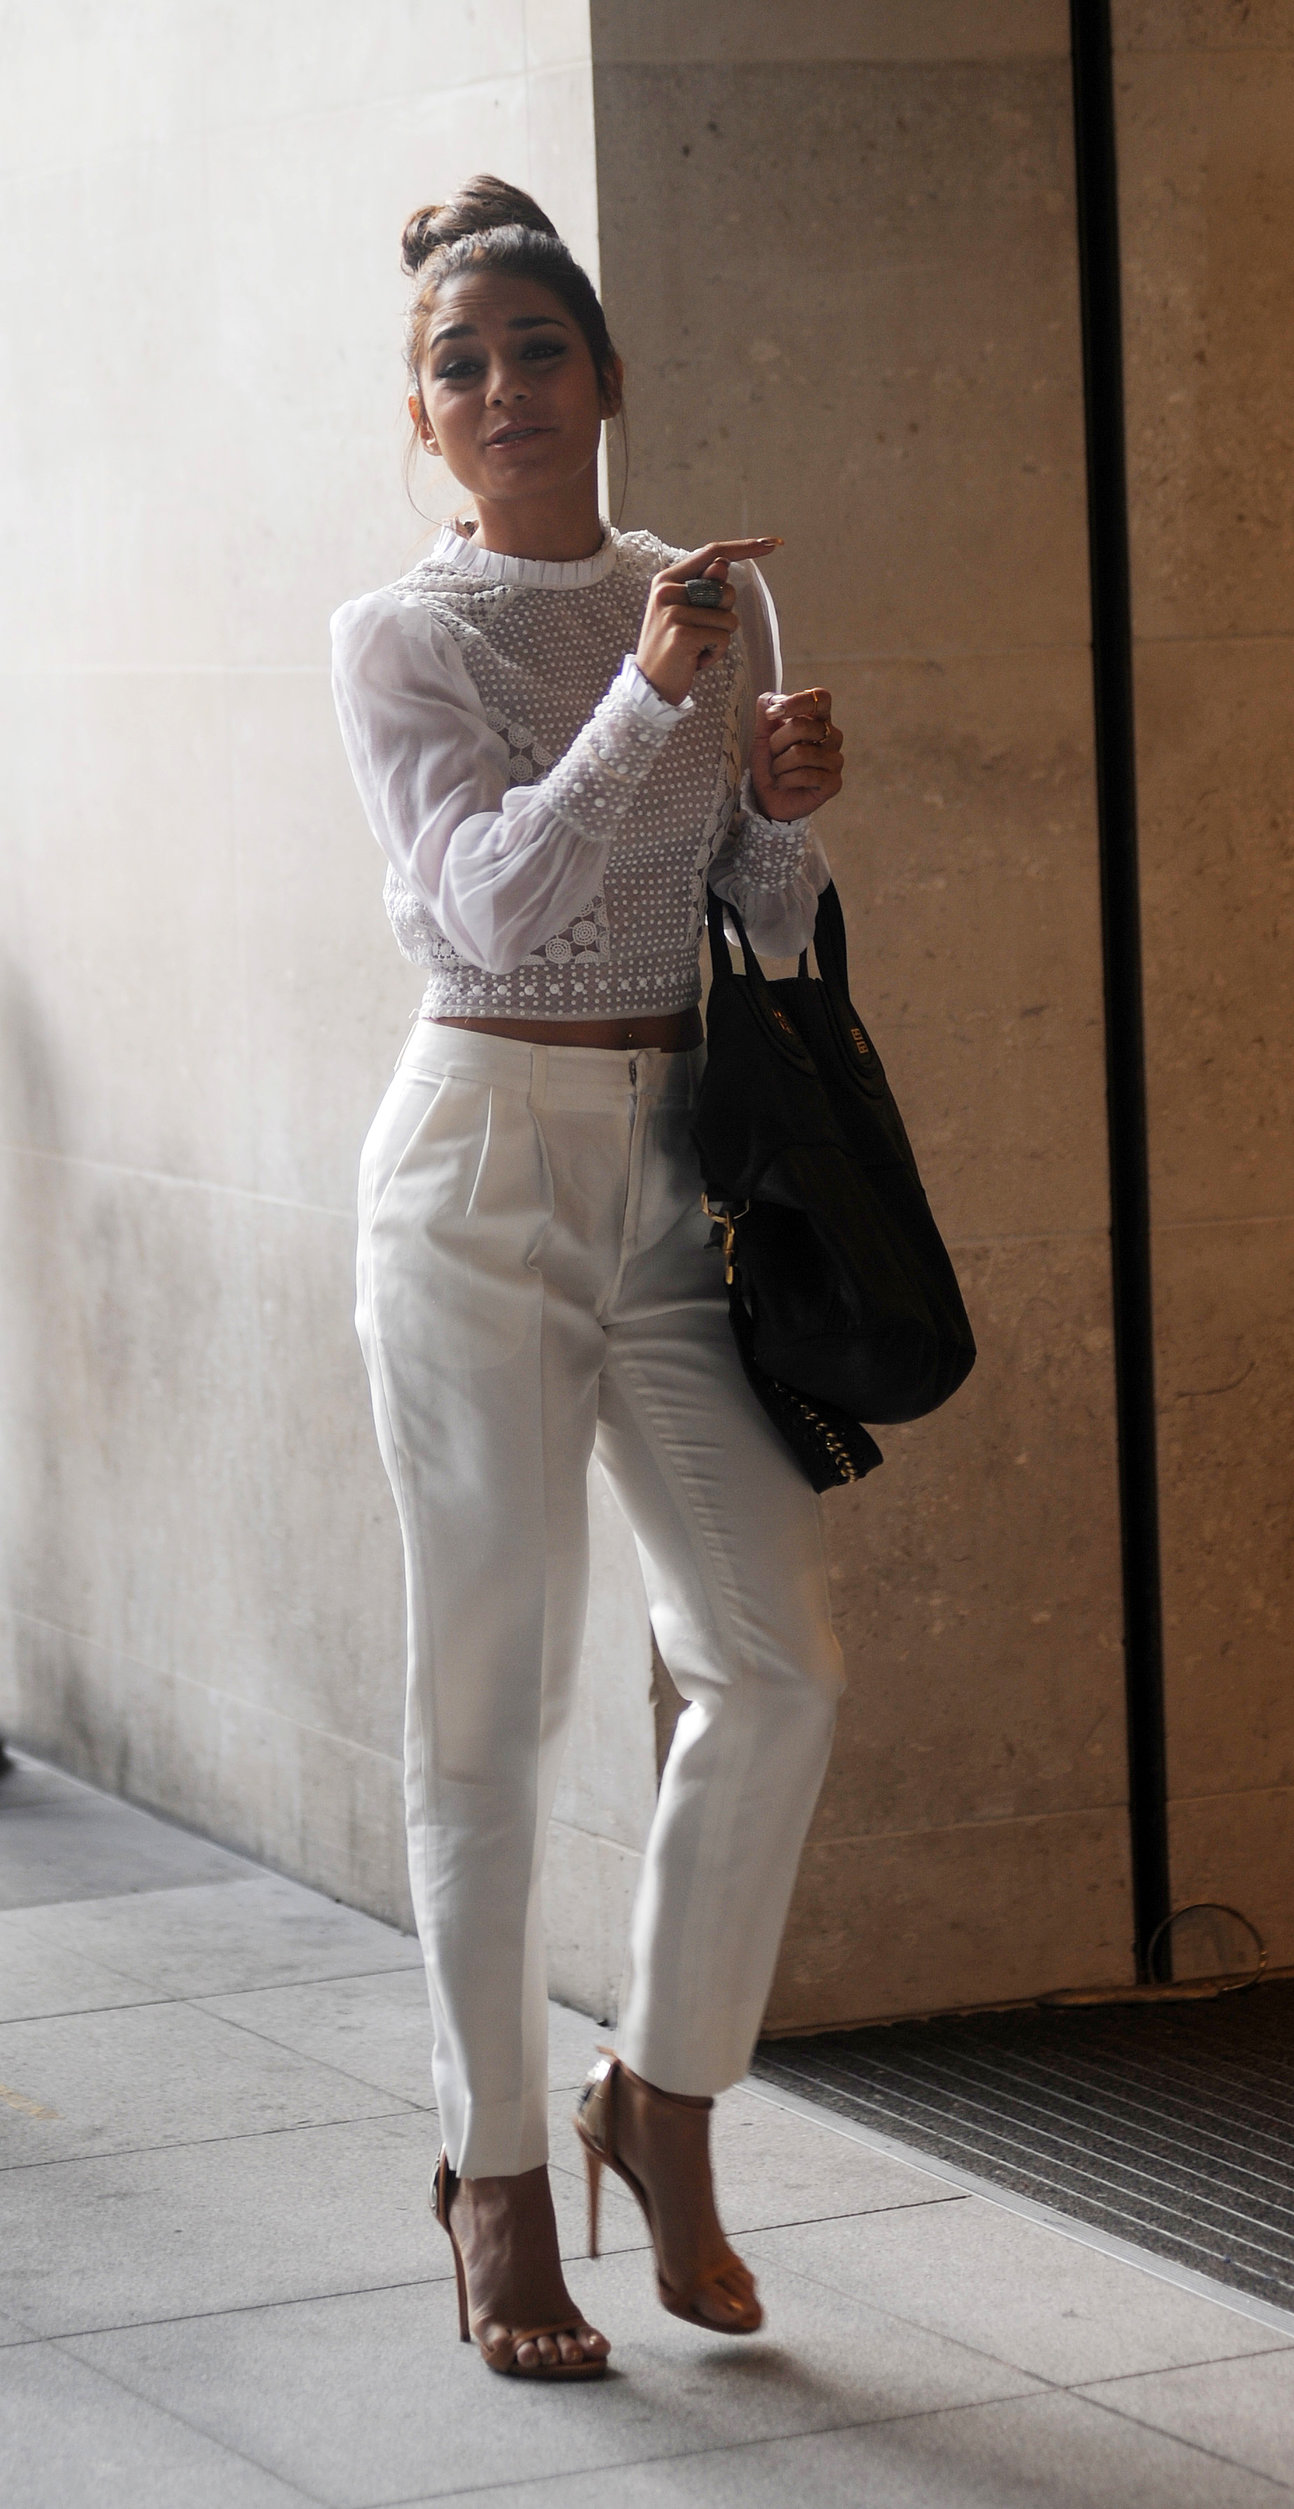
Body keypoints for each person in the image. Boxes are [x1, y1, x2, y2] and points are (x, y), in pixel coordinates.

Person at [331, 175, 846, 2381]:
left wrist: (789, 801)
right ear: (422, 421)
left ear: (605, 379)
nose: (505, 387)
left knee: (774, 1661)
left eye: (538, 349)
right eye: (462, 364)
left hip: (669, 1175)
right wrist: (649, 712)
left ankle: (664, 2092)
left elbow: (752, 915)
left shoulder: (694, 596)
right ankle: (498, 2181)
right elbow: (485, 919)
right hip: (469, 1173)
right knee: (489, 1708)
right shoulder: (403, 639)